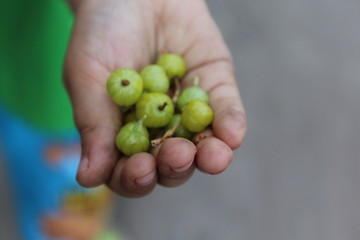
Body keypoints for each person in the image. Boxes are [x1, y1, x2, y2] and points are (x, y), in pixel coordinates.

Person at [0, 0, 247, 239]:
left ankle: (79, 231)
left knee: (66, 186)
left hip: (40, 58)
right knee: (56, 181)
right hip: (37, 81)